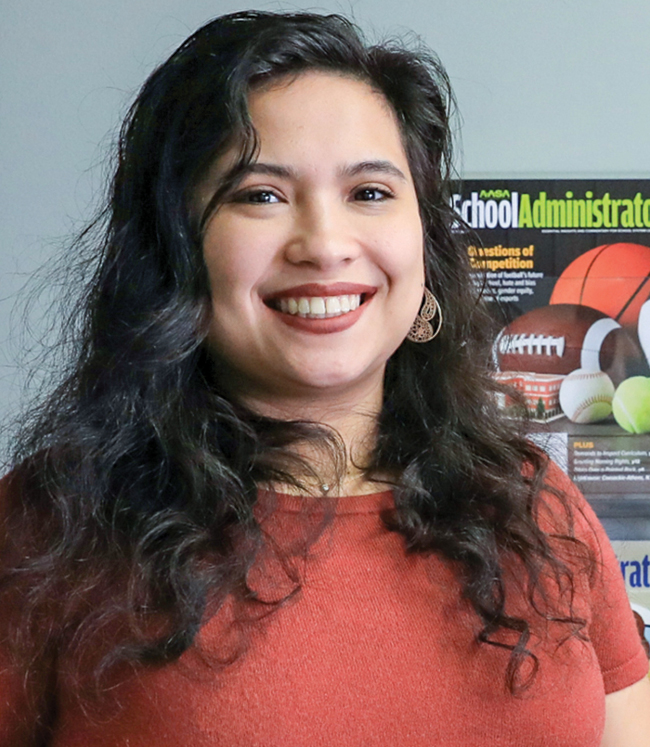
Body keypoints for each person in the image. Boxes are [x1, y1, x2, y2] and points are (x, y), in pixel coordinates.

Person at [0, 10, 648, 746]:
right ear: (175, 250)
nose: (325, 244)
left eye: (370, 192)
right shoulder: (51, 527)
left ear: (425, 244)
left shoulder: (538, 507)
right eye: (260, 195)